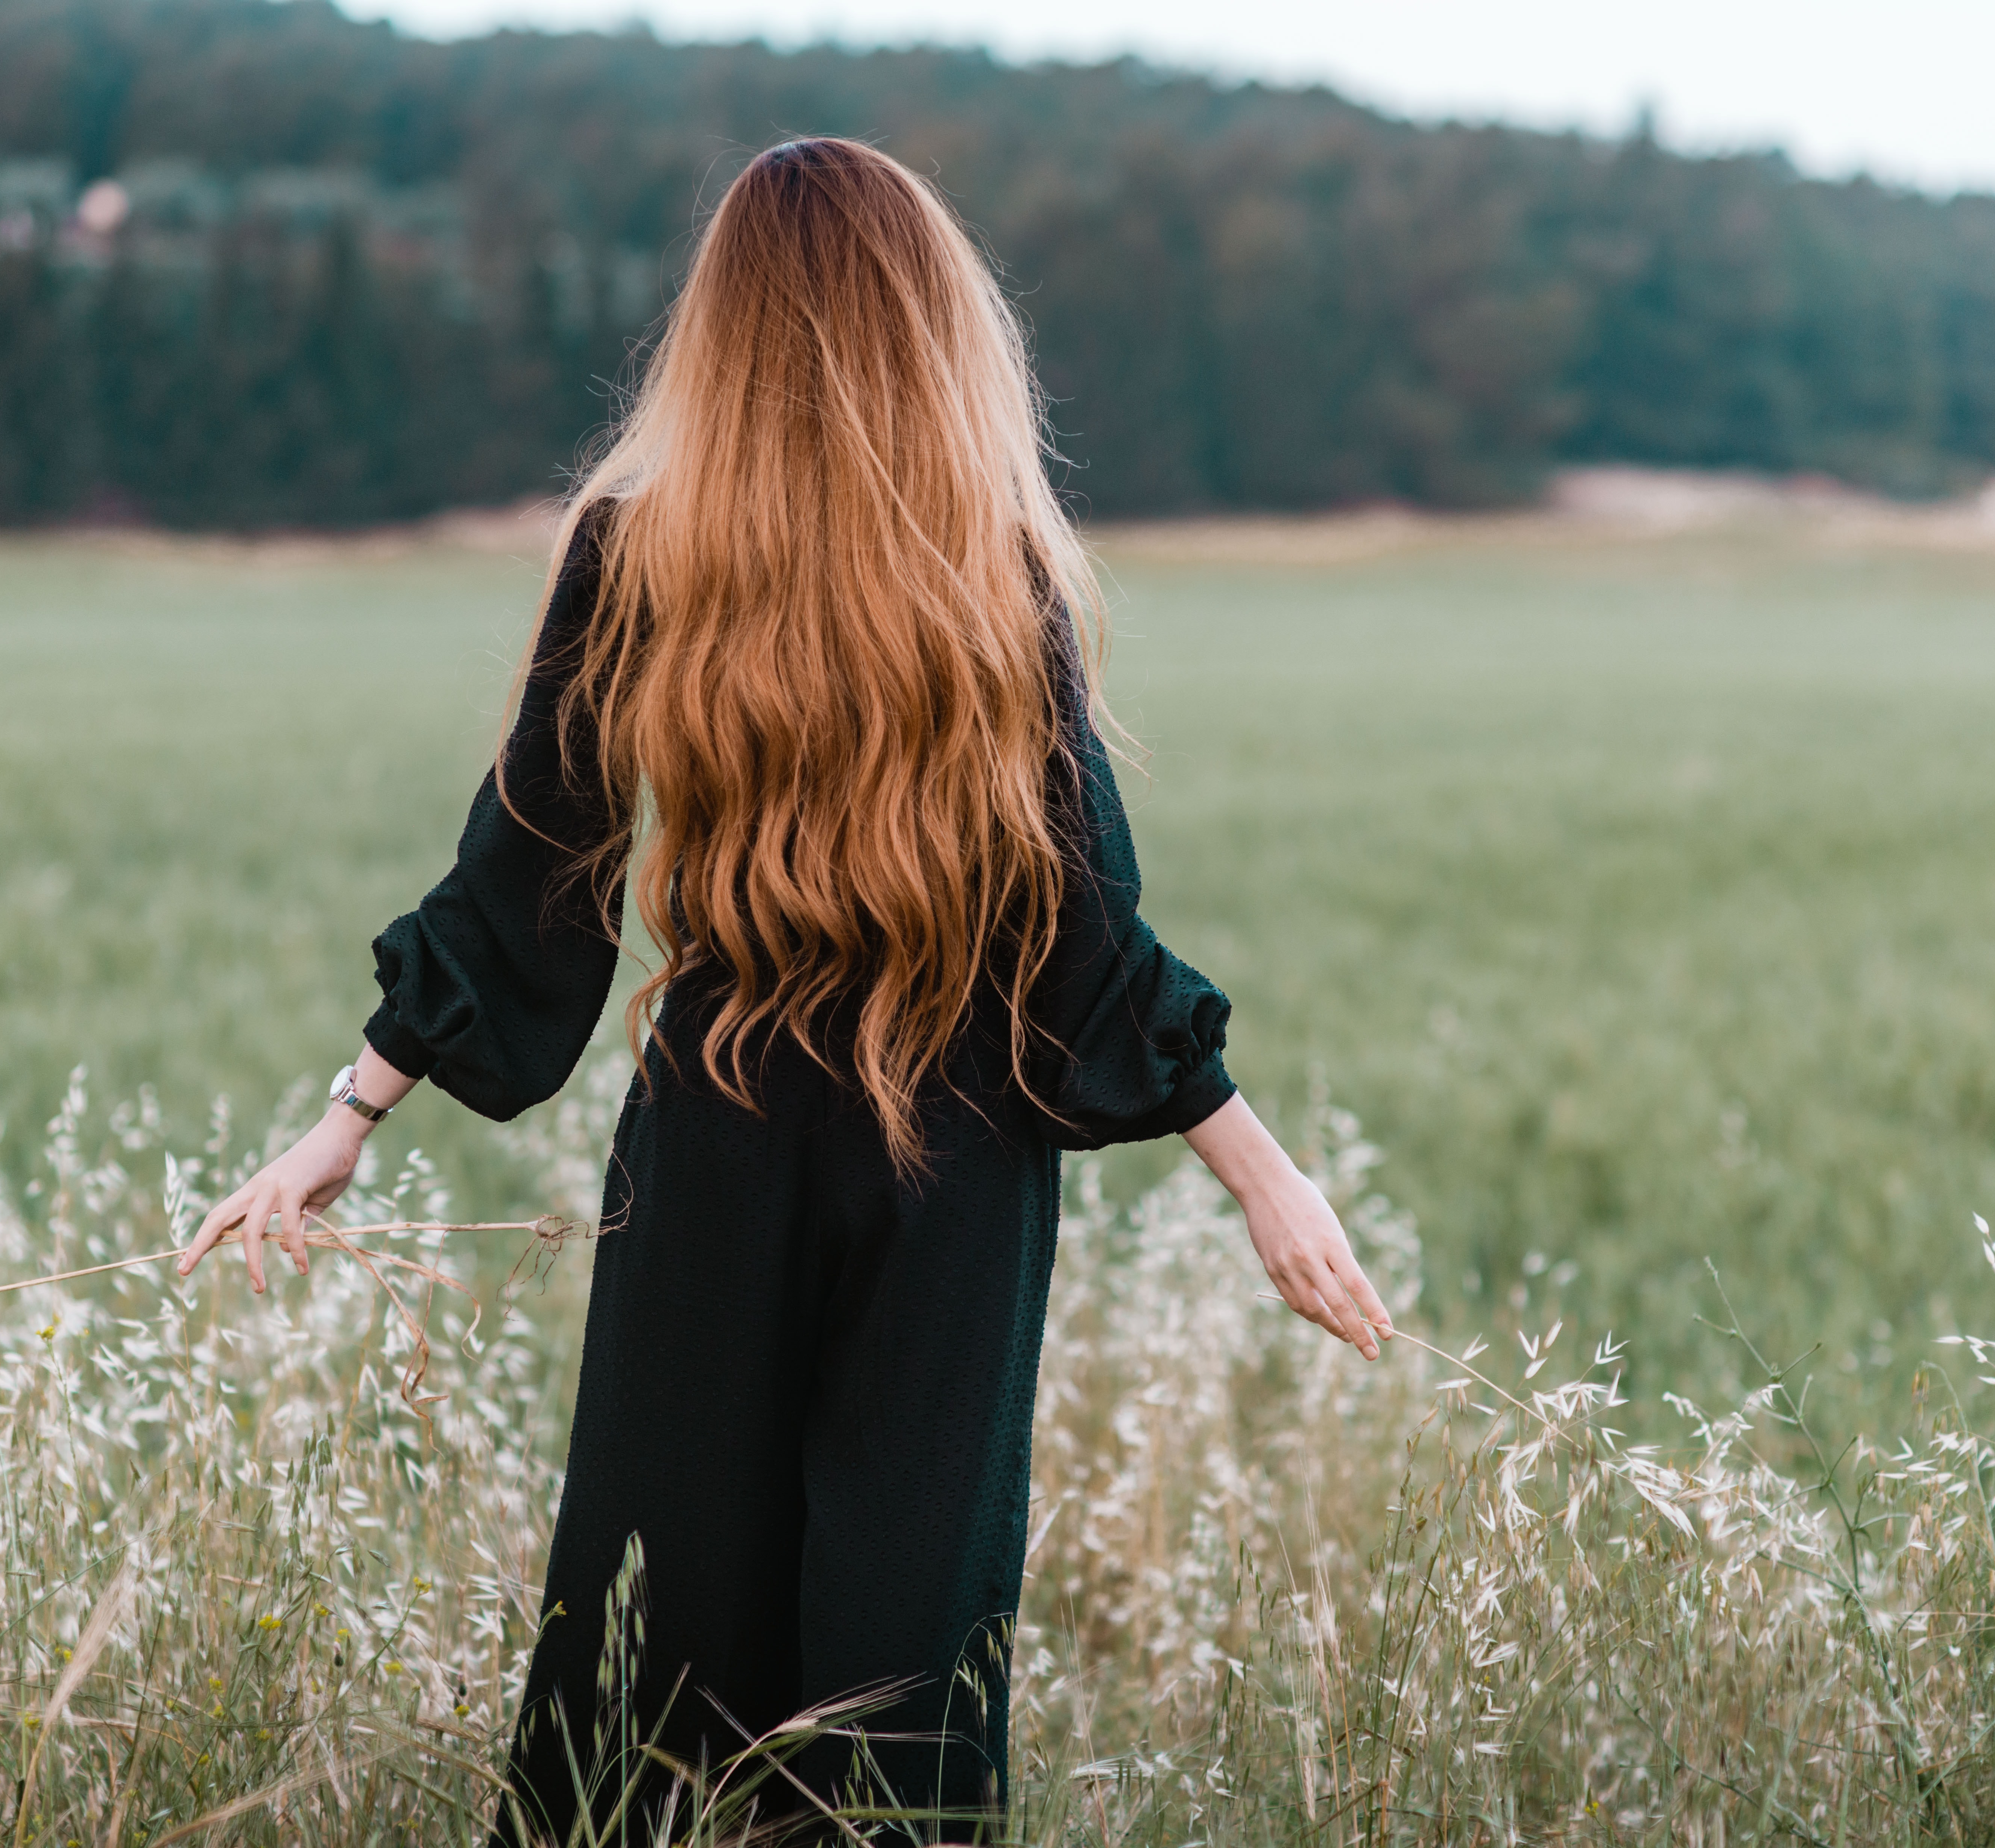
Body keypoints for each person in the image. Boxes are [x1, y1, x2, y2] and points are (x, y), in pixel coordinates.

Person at [182, 135, 1391, 1845]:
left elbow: (527, 877)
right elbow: (1079, 933)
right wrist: (1264, 1174)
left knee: (656, 1655)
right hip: (955, 1150)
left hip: (718, 1129)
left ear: (722, 328)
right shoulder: (991, 567)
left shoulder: (638, 546)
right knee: (904, 1670)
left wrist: (344, 1120)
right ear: (931, 324)